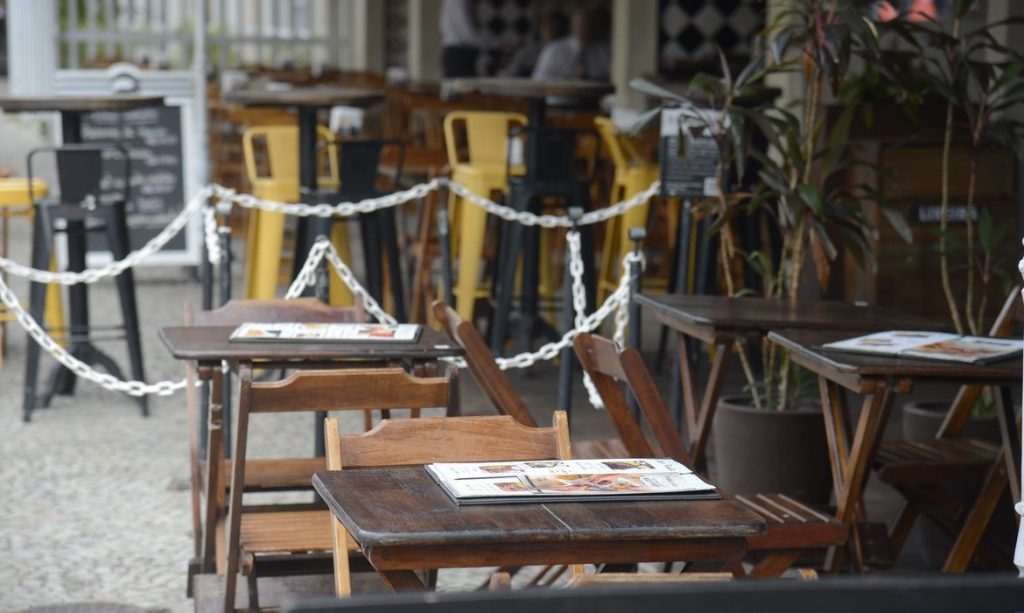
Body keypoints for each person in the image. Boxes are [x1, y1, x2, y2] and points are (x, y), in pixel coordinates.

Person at [531, 7, 610, 82]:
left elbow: (609, 77)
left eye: (588, 23)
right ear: (572, 24)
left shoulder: (603, 52)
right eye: (580, 23)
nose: (584, 28)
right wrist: (568, 80)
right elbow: (538, 79)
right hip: (562, 91)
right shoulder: (554, 50)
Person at [499, 10, 570, 78]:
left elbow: (541, 79)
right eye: (543, 26)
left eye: (546, 26)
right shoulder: (548, 48)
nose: (543, 30)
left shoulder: (555, 50)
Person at [441, 0, 484, 78]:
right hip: (458, 53)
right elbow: (465, 32)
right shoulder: (457, 2)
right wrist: (489, 44)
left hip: (461, 52)